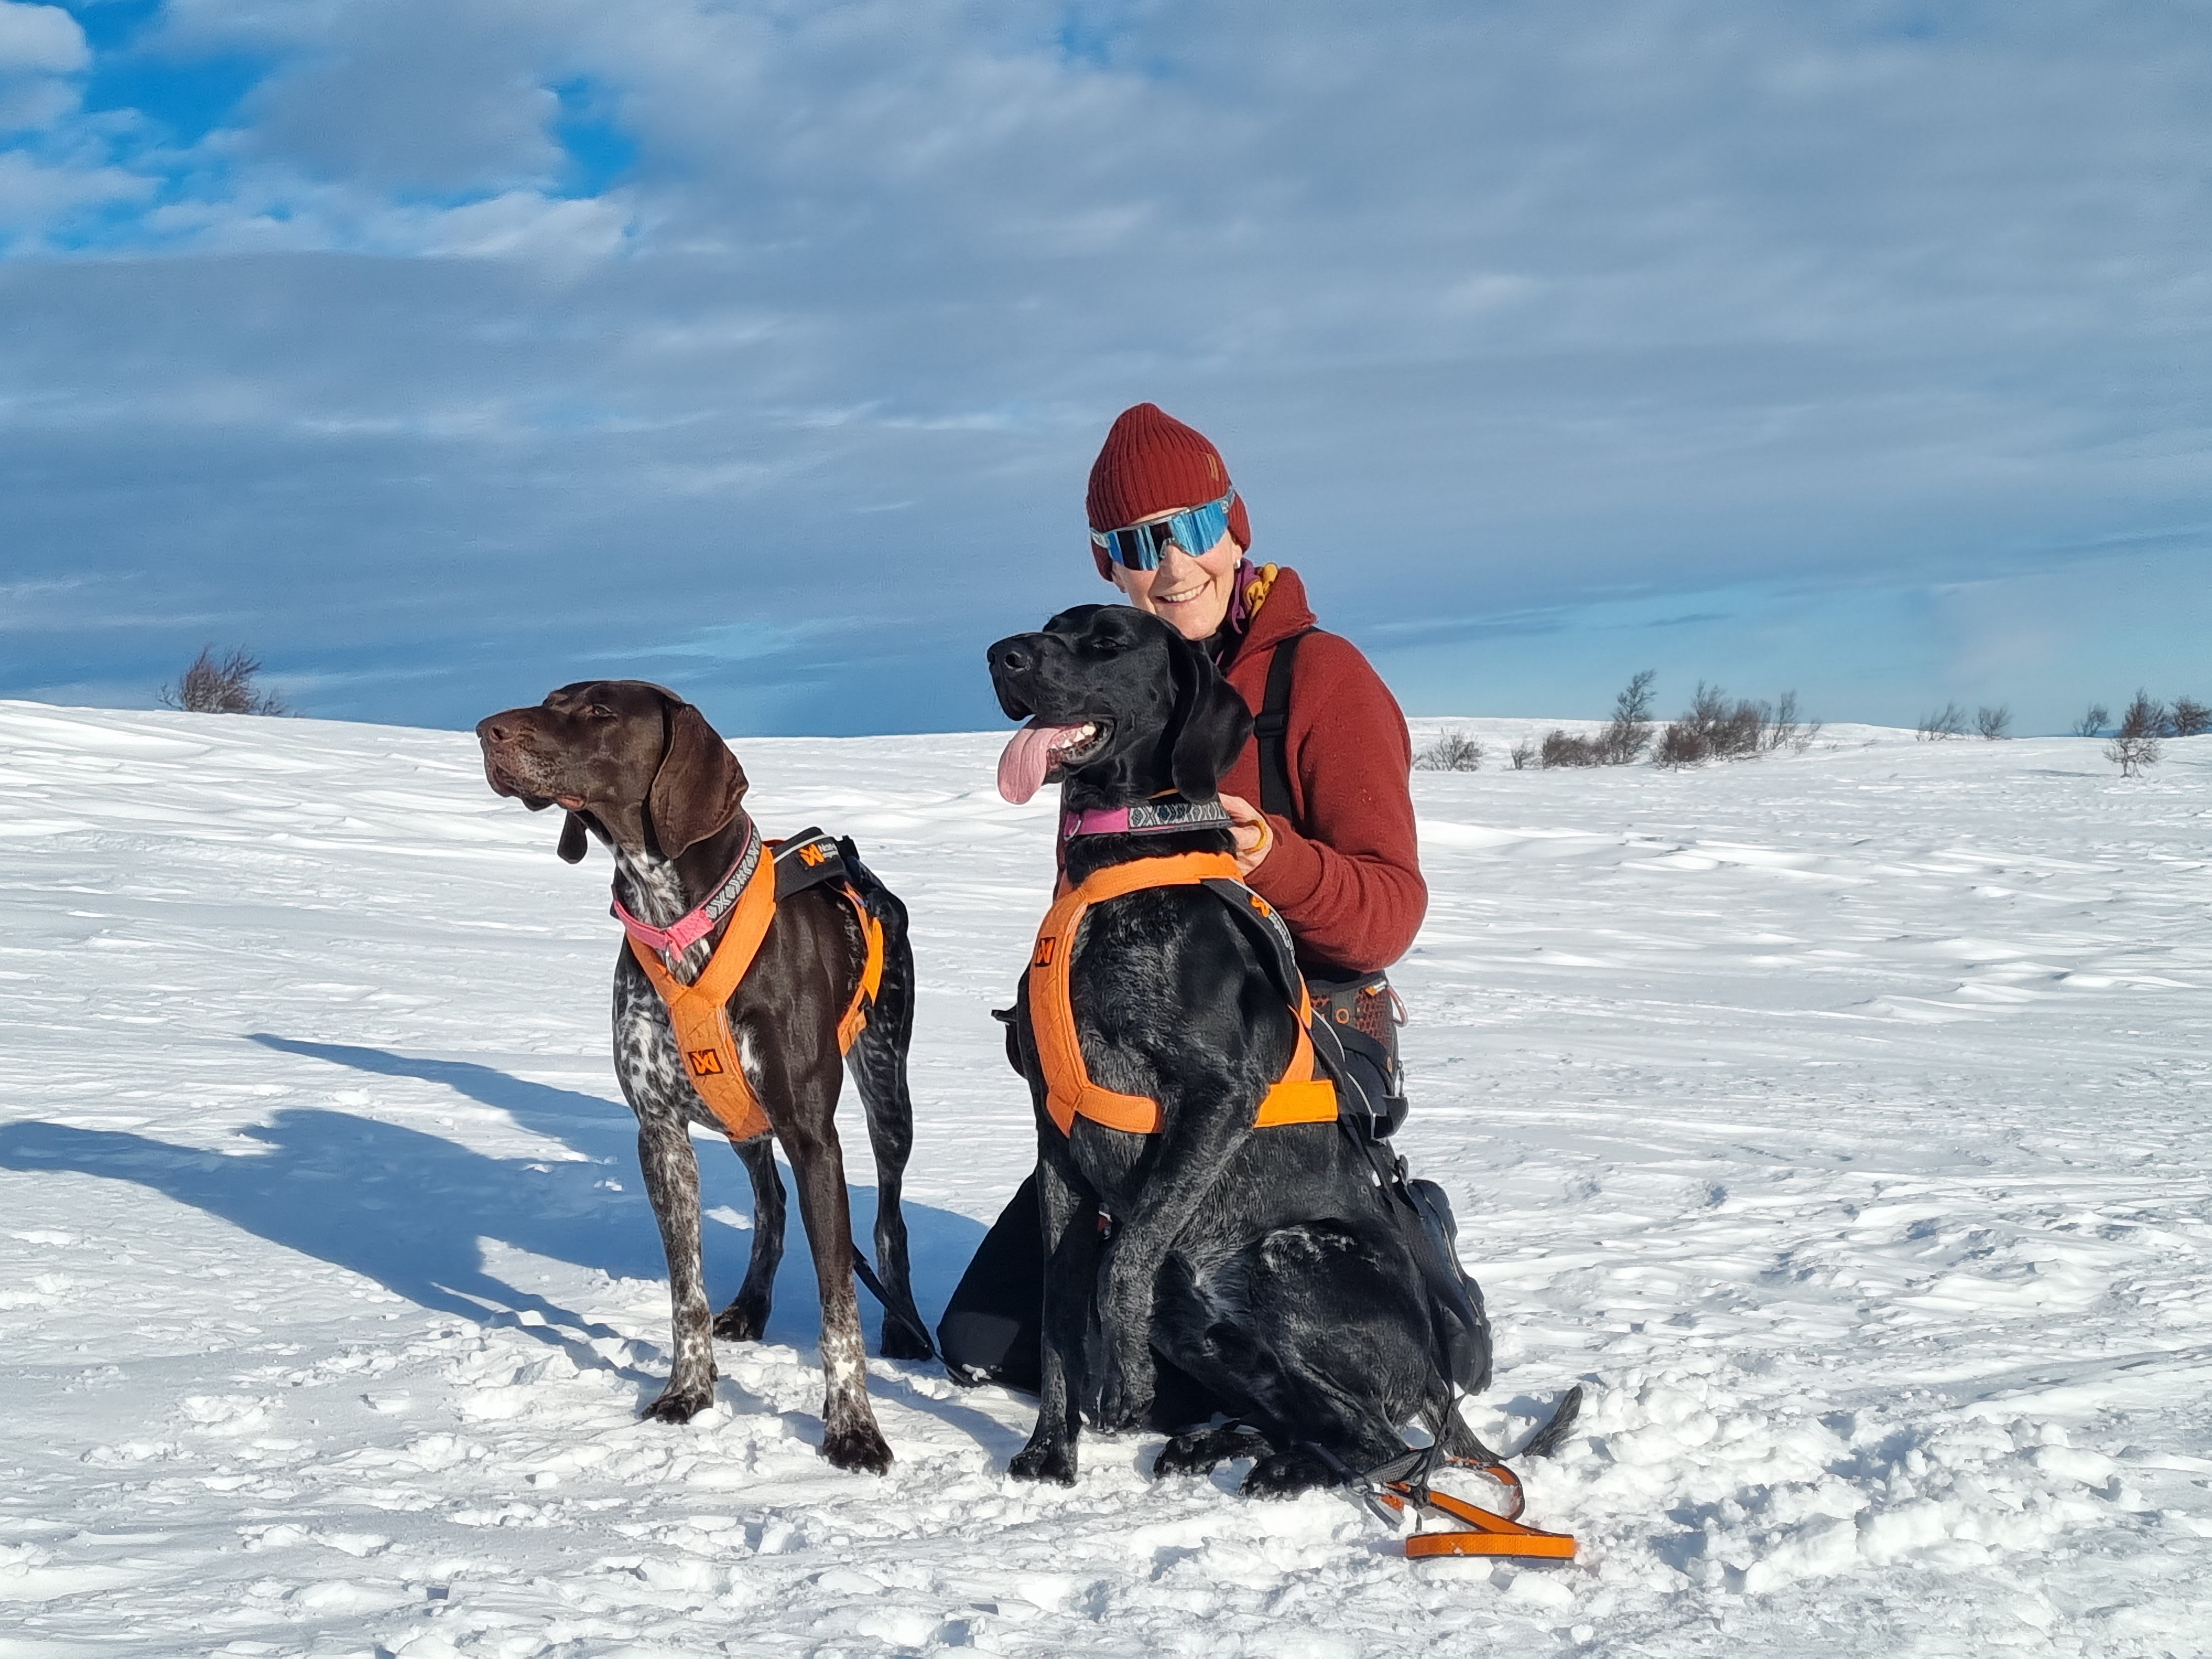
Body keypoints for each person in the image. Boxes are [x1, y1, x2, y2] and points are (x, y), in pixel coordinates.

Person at [939, 402, 1431, 1397]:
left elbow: (1389, 913)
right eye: (1135, 544)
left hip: (1283, 1094)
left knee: (1206, 1345)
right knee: (986, 1345)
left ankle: (1385, 1272)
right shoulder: (1107, 707)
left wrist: (1271, 858)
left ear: (1235, 526)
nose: (1170, 565)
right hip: (1136, 1095)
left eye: (1192, 528)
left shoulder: (1320, 679)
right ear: (1108, 565)